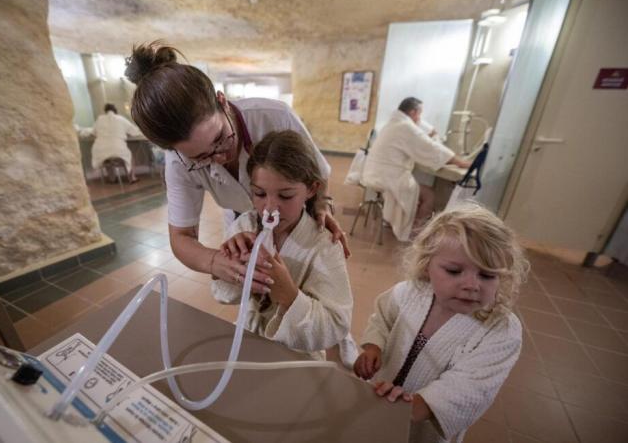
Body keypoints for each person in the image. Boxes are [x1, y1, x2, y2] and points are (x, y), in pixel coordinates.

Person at [124, 41, 349, 289]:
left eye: (220, 138)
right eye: (200, 158)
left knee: (304, 281)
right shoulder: (178, 161)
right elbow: (181, 237)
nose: (219, 158)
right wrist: (215, 261)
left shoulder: (275, 116)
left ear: (222, 101)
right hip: (241, 221)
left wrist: (320, 205)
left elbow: (318, 171)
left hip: (295, 216)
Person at [353, 204, 528, 442]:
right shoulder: (410, 292)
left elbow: (470, 387)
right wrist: (373, 345)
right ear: (427, 264)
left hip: (422, 427)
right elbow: (383, 317)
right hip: (380, 398)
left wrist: (415, 406)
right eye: (454, 271)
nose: (471, 285)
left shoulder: (500, 331)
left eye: (487, 275)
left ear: (503, 276)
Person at [211, 130, 357, 367]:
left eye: (286, 196)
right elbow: (222, 295)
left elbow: (335, 325)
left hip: (298, 358)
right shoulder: (244, 226)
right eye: (259, 194)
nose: (270, 208)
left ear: (311, 189)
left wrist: (289, 297)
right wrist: (228, 265)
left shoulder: (324, 245)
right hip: (248, 342)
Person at [361, 97, 471, 241]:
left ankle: (404, 224)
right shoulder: (405, 126)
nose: (420, 118)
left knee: (418, 191)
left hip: (376, 174)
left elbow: (419, 142)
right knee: (429, 195)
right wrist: (461, 163)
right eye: (419, 113)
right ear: (413, 112)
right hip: (388, 177)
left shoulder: (393, 124)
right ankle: (415, 233)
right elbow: (431, 148)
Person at [91, 103, 142, 183]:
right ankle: (132, 178)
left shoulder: (99, 119)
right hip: (118, 149)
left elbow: (93, 132)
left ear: (105, 111)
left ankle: (112, 179)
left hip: (100, 149)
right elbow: (134, 131)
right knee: (129, 157)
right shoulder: (121, 119)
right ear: (116, 111)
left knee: (107, 159)